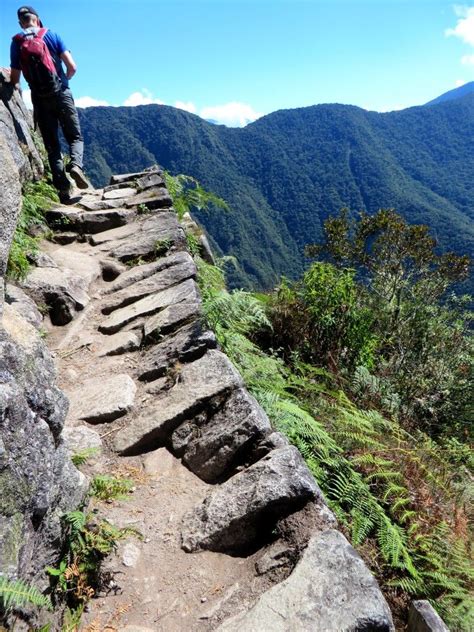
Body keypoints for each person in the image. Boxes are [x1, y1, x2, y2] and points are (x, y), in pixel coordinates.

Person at [10, 5, 89, 203]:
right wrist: (64, 81)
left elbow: (15, 78)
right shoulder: (52, 35)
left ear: (21, 22)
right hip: (61, 93)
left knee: (52, 146)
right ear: (37, 19)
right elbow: (72, 66)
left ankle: (63, 191)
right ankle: (76, 167)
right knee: (75, 137)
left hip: (39, 98)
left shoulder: (17, 43)